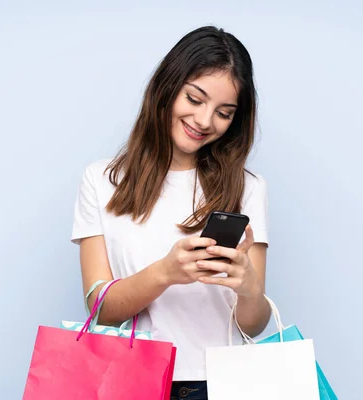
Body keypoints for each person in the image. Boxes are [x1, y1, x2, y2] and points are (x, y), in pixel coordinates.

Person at [71, 25, 271, 399]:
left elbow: (253, 324)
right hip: (135, 382)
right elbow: (100, 310)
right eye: (195, 99)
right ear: (168, 86)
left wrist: (249, 290)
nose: (205, 121)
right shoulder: (101, 180)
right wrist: (165, 273)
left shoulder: (248, 187)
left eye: (224, 113)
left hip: (224, 385)